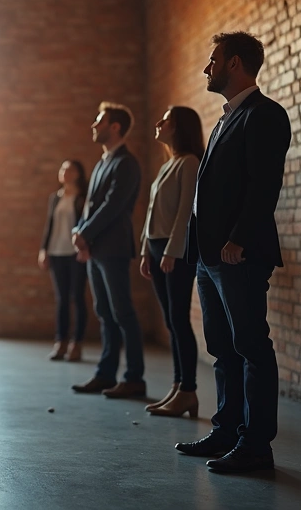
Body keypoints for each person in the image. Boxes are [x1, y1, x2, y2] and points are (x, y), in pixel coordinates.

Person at [174, 32, 291, 474]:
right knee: (222, 347)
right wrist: (196, 250)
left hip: (237, 254)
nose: (207, 68)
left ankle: (256, 446)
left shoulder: (265, 115)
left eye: (213, 60)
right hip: (210, 257)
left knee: (251, 347)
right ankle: (226, 429)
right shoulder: (225, 119)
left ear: (235, 63)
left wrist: (239, 238)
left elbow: (265, 185)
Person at [70, 102, 145, 398]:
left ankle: (134, 378)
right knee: (104, 312)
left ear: (114, 127)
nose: (93, 125)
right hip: (96, 248)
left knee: (122, 312)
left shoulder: (126, 163)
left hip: (113, 248)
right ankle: (105, 374)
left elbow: (112, 207)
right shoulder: (102, 162)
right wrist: (81, 234)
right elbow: (90, 207)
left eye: (99, 120)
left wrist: (84, 233)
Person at [139, 106, 205, 417]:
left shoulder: (190, 162)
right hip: (156, 248)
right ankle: (178, 387)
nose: (158, 122)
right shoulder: (170, 164)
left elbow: (185, 214)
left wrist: (171, 251)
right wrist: (145, 251)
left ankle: (188, 390)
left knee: (179, 319)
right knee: (170, 321)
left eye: (164, 120)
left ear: (178, 127)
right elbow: (152, 211)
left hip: (172, 250)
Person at [39, 160, 89, 361]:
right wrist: (44, 250)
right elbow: (49, 225)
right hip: (56, 252)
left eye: (69, 169)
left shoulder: (82, 198)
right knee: (62, 300)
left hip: (75, 254)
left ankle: (77, 344)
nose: (64, 173)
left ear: (78, 173)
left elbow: (85, 225)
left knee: (77, 297)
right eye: (62, 169)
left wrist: (85, 247)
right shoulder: (55, 197)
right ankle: (61, 342)